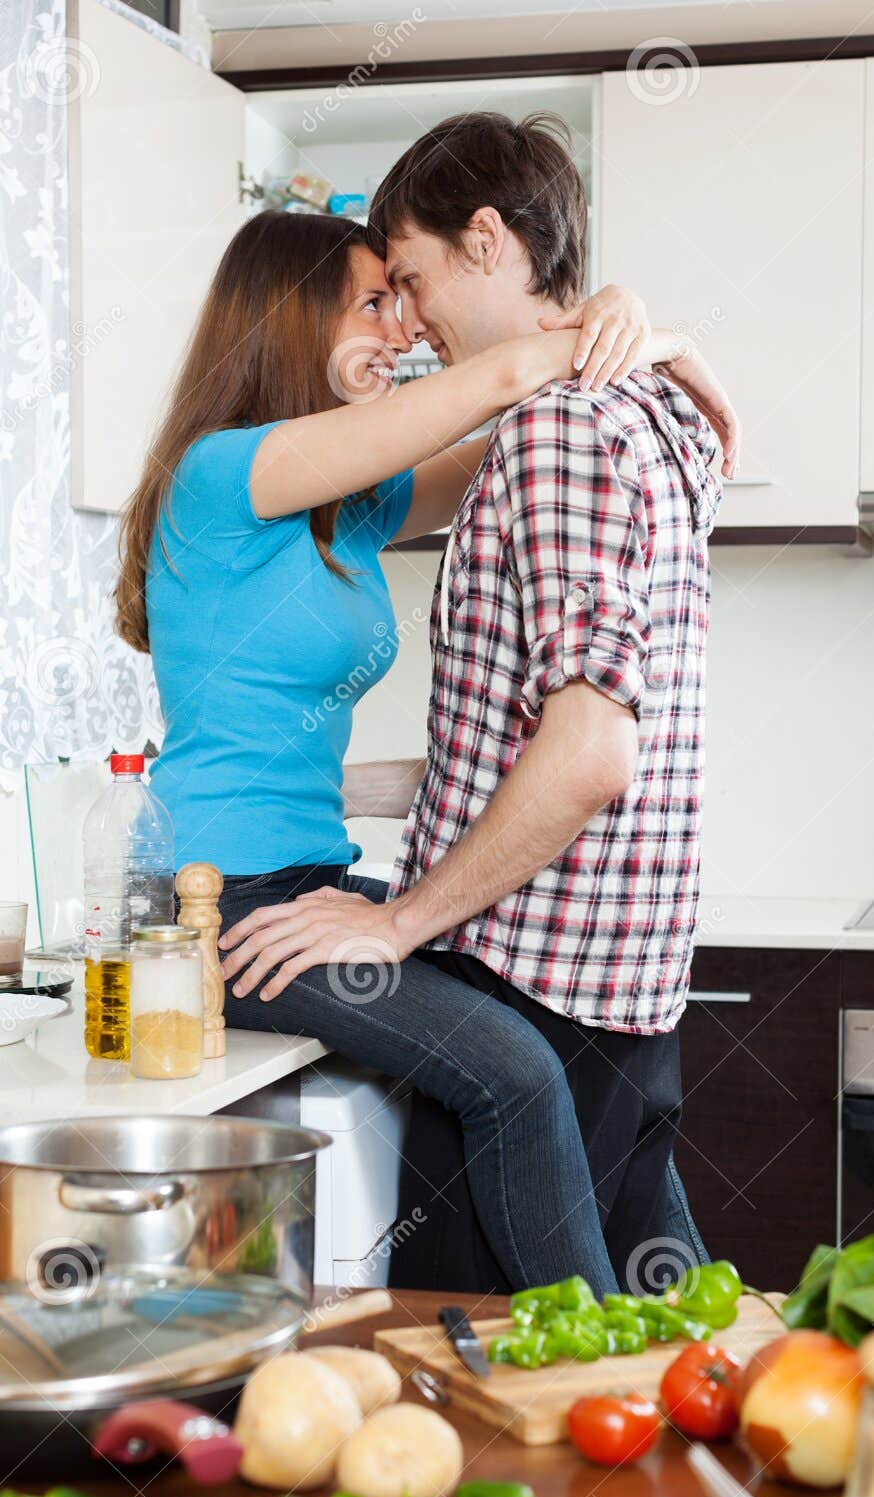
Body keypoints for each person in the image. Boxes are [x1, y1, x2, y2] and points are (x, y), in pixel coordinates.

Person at [116, 206, 737, 1294]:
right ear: (287, 317)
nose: (400, 326)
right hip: (205, 901)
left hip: (294, 873)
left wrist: (639, 332)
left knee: (522, 1041)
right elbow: (498, 387)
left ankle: (680, 1329)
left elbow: (532, 422)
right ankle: (576, 1359)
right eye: (372, 301)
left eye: (405, 298)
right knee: (517, 1073)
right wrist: (641, 330)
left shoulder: (341, 511)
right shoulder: (227, 473)